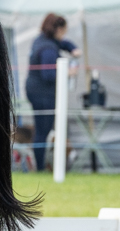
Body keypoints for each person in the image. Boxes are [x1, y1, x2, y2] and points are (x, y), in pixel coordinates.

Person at [25, 13, 81, 171]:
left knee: (41, 130)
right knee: (43, 131)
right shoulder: (48, 49)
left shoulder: (42, 40)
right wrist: (68, 73)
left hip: (35, 90)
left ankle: (41, 166)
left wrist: (73, 49)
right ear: (57, 29)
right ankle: (41, 168)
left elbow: (62, 43)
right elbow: (48, 74)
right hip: (42, 94)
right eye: (64, 31)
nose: (64, 34)